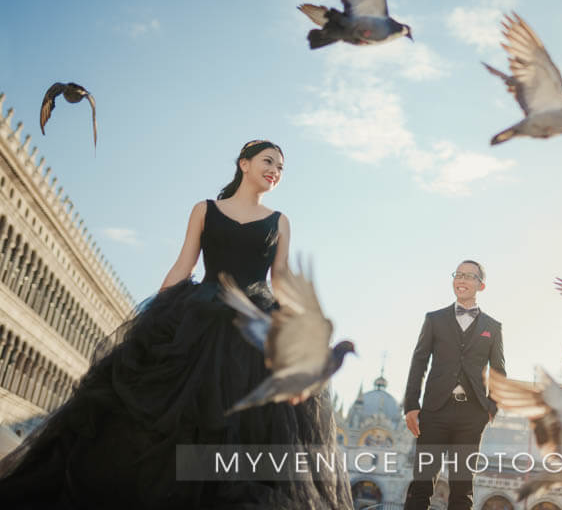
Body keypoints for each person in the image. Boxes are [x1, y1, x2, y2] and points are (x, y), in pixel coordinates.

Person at [0, 140, 351, 509]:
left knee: (246, 424)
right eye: (268, 161)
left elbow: (280, 278)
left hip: (253, 323)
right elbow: (185, 264)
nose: (275, 171)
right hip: (200, 315)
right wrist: (156, 313)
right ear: (244, 164)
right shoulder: (205, 209)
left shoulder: (280, 221)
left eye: (281, 168)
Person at [403, 260, 506, 510]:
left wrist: (490, 409)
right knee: (422, 484)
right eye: (458, 275)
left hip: (472, 415)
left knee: (462, 489)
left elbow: (499, 371)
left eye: (469, 276)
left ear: (481, 285)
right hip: (434, 412)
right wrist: (411, 406)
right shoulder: (434, 319)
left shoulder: (492, 327)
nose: (461, 279)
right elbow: (419, 362)